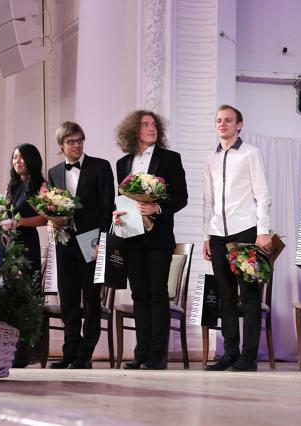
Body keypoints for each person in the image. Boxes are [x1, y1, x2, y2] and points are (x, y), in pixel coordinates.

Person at [113, 110, 188, 370]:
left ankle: (158, 355)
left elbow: (181, 197)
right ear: (134, 130)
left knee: (157, 295)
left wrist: (157, 208)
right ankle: (141, 353)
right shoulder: (123, 163)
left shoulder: (170, 158)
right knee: (139, 295)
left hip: (159, 238)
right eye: (145, 124)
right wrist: (118, 213)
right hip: (132, 236)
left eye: (154, 124)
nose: (152, 128)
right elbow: (122, 198)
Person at [203, 105, 272, 372]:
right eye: (219, 120)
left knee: (249, 296)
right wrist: (206, 235)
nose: (222, 124)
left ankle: (249, 357)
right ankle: (230, 353)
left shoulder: (250, 153)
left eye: (228, 120)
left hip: (245, 231)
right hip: (217, 234)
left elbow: (262, 195)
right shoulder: (210, 158)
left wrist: (262, 230)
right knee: (225, 296)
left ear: (239, 125)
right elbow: (207, 200)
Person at [47, 121, 115, 369]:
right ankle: (70, 352)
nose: (76, 145)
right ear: (61, 145)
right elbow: (52, 207)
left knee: (92, 299)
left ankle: (85, 355)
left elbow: (108, 208)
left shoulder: (100, 166)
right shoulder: (54, 172)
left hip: (91, 240)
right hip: (64, 241)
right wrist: (52, 222)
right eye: (71, 142)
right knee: (68, 299)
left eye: (79, 140)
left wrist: (102, 242)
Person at [6, 143, 48, 368]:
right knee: (11, 298)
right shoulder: (13, 186)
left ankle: (26, 353)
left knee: (27, 298)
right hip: (10, 246)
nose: (17, 161)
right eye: (15, 158)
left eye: (22, 157)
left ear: (31, 160)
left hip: (27, 245)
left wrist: (19, 222)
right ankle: (9, 351)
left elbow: (44, 218)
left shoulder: (41, 185)